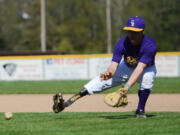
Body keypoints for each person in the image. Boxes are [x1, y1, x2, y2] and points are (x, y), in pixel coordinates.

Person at [53, 16, 157, 118]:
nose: (131, 35)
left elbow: (139, 68)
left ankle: (140, 110)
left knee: (147, 80)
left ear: (142, 31)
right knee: (101, 80)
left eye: (135, 32)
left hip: (146, 68)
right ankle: (67, 103)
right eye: (129, 31)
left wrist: (126, 87)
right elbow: (114, 65)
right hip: (126, 67)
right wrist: (109, 73)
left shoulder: (150, 45)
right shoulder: (122, 43)